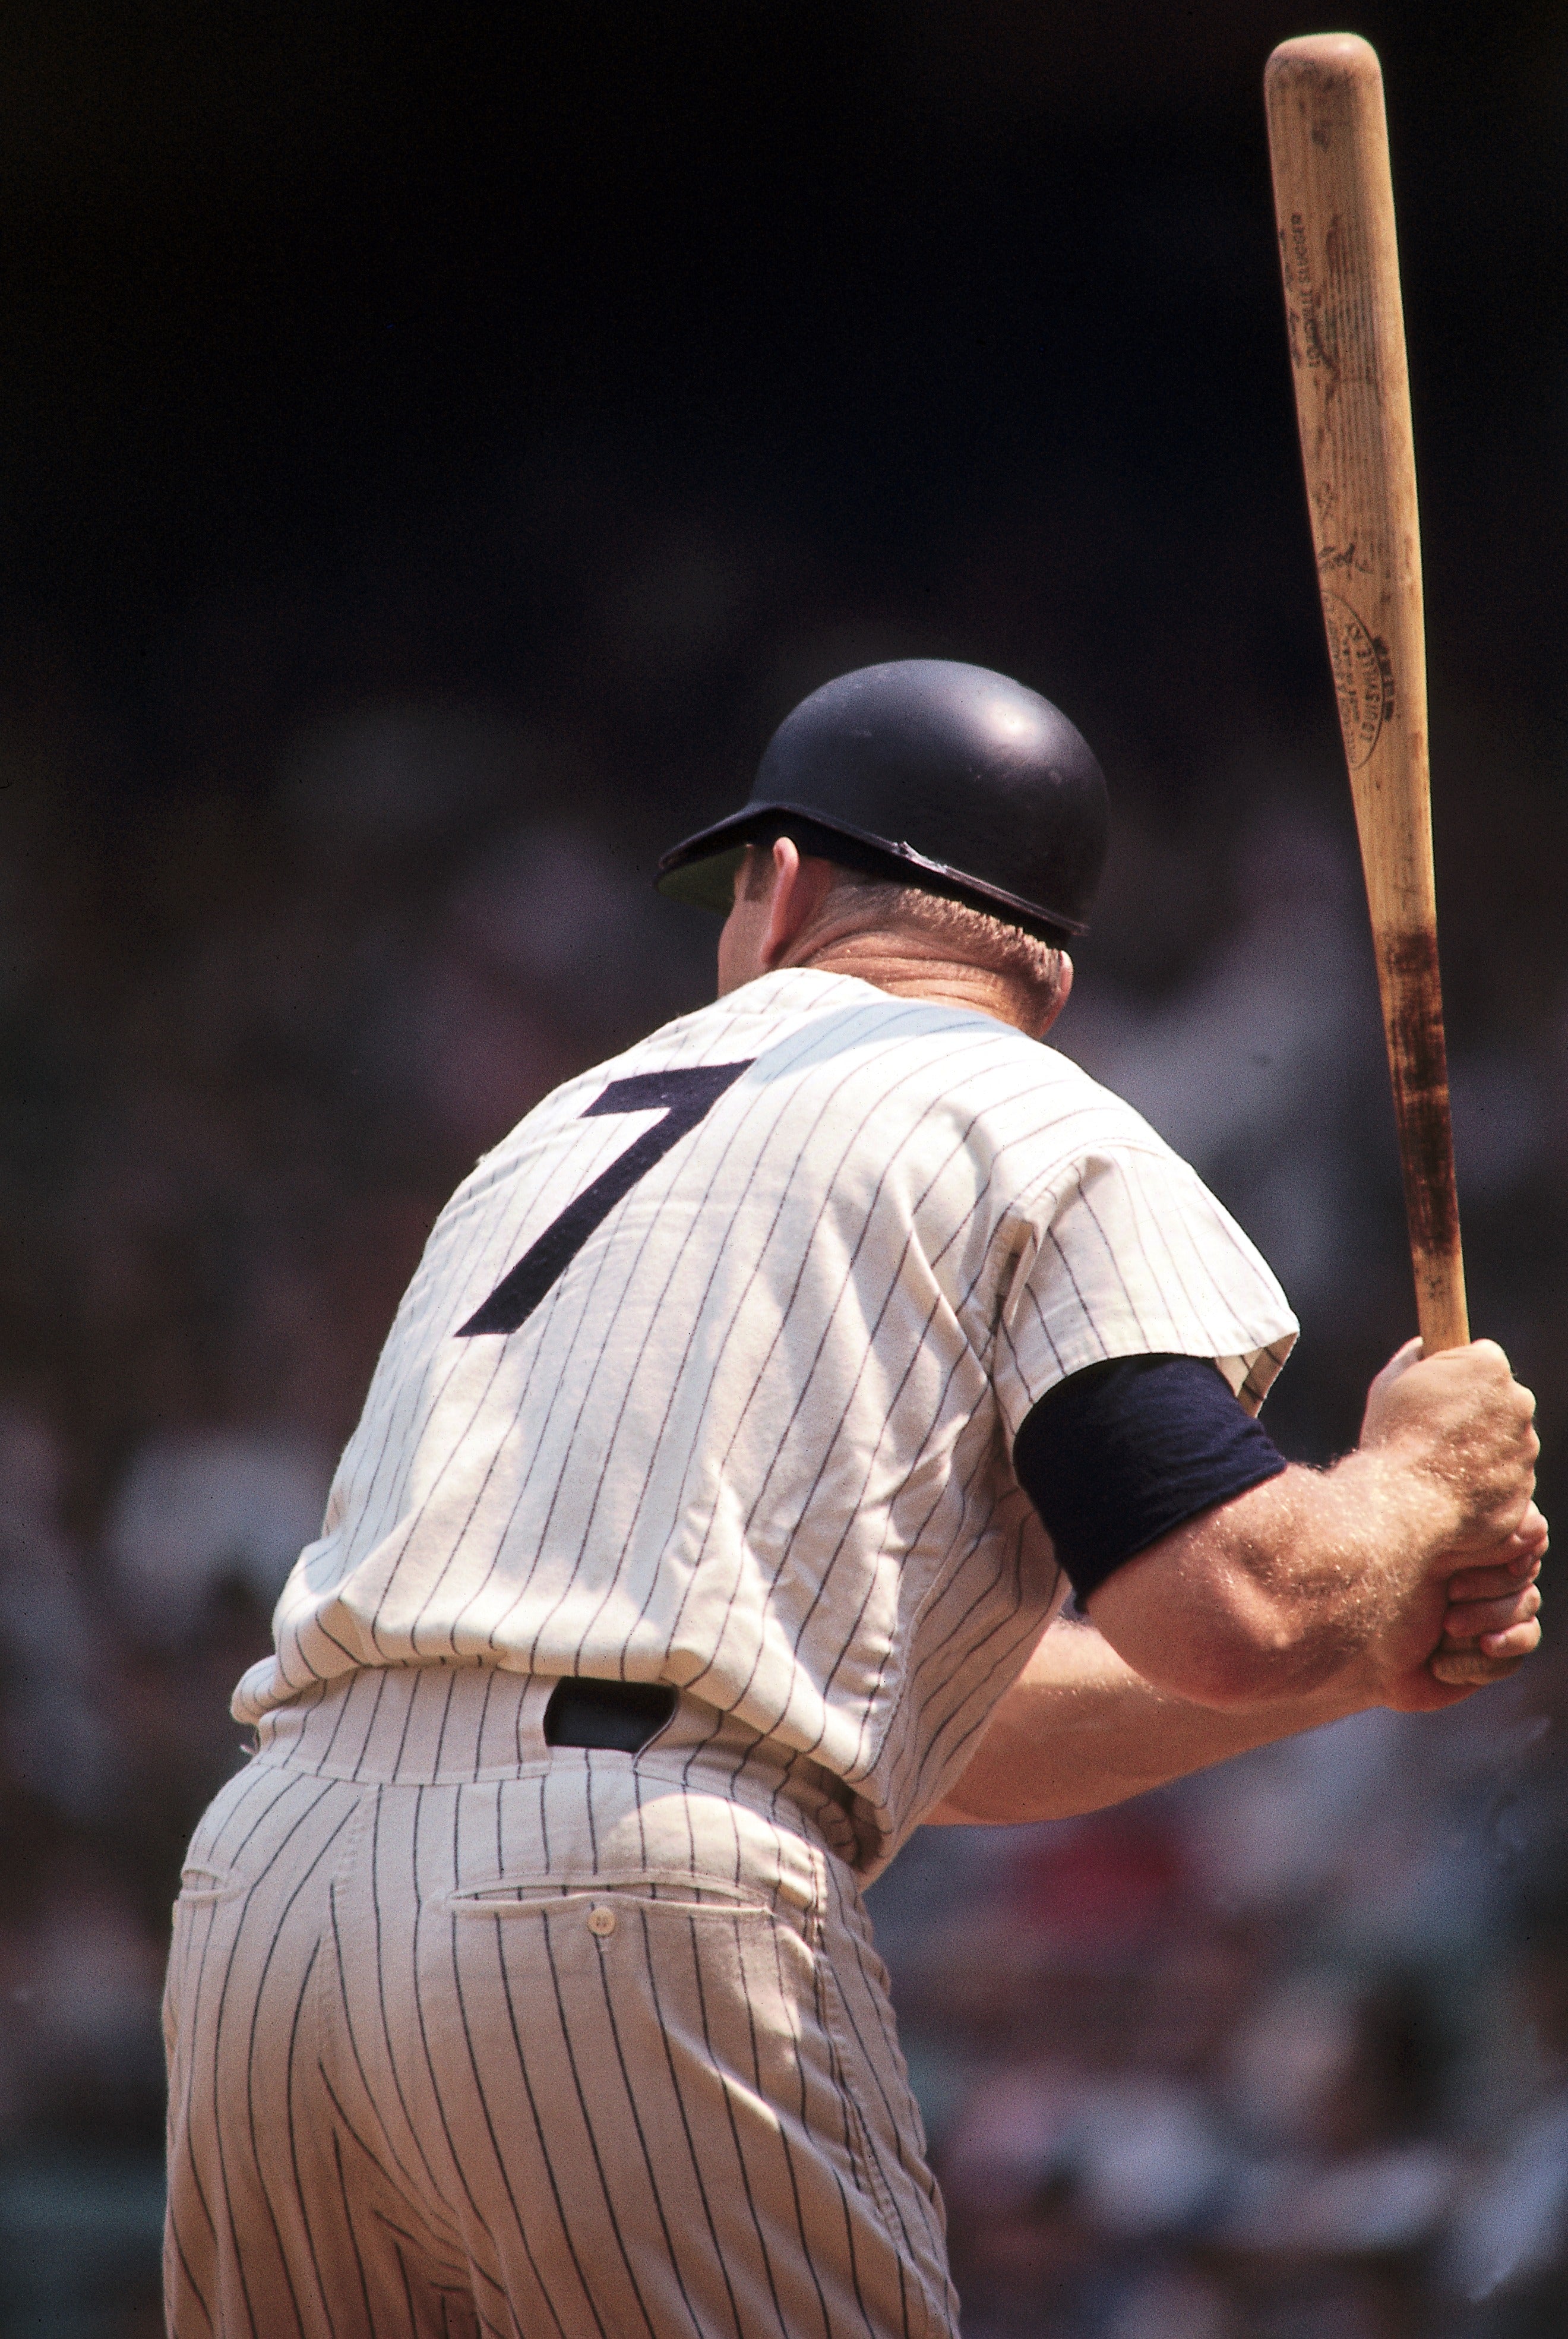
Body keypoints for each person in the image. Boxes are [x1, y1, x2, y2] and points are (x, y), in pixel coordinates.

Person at [163, 661, 1544, 2339]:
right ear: (1049, 955)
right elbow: (1234, 1602)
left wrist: (1349, 1657)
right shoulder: (1026, 1115)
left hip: (268, 1894)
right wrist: (1416, 1484)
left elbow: (938, 1722)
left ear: (789, 884)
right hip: (619, 1899)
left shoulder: (547, 1138)